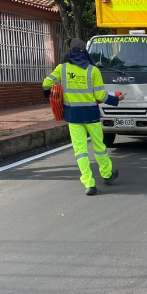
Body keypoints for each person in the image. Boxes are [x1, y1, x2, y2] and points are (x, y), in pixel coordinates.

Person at [43, 38, 125, 196]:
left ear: (70, 52)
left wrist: (50, 95)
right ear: (85, 52)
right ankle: (107, 175)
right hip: (92, 116)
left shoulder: (63, 68)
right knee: (99, 147)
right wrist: (116, 99)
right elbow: (100, 95)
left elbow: (46, 83)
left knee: (80, 151)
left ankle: (89, 184)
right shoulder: (93, 70)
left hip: (73, 117)